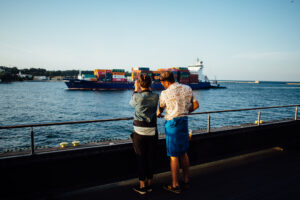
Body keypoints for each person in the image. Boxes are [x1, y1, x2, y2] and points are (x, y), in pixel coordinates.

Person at [157, 71, 199, 194]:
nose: (162, 85)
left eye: (162, 83)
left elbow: (160, 108)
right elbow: (196, 105)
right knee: (184, 153)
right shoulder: (187, 88)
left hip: (172, 124)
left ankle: (175, 185)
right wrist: (185, 111)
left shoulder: (165, 93)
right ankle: (186, 180)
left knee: (174, 156)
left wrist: (158, 113)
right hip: (184, 122)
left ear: (166, 81)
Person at [129, 74, 159, 195]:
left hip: (139, 131)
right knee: (150, 157)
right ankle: (149, 184)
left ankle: (142, 186)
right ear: (151, 84)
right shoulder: (156, 96)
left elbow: (131, 104)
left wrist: (136, 89)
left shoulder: (136, 96)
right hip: (152, 130)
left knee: (141, 157)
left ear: (140, 84)